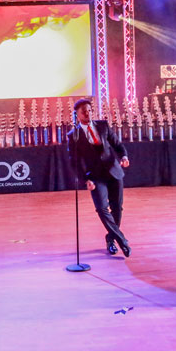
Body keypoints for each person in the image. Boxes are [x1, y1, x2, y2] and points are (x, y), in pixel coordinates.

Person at [67, 98, 131, 257]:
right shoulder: (73, 135)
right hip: (95, 177)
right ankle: (122, 240)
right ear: (77, 114)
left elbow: (117, 145)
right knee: (102, 208)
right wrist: (85, 179)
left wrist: (123, 157)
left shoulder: (103, 125)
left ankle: (111, 239)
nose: (87, 114)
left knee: (117, 208)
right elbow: (74, 161)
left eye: (89, 110)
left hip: (114, 172)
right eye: (84, 111)